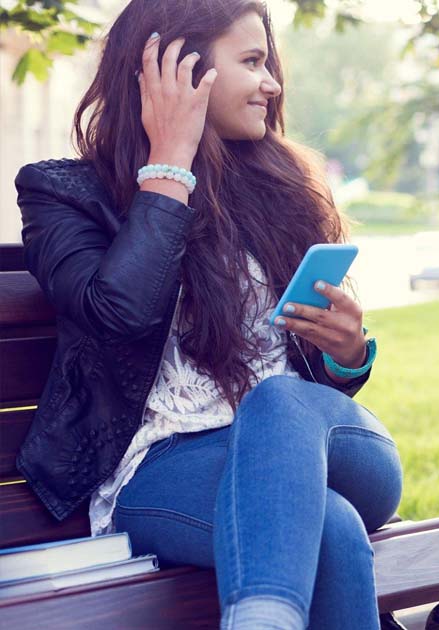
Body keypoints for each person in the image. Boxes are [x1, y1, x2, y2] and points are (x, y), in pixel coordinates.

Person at [15, 1, 402, 628]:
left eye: (268, 62)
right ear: (179, 68)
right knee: (327, 530)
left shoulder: (282, 187)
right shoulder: (62, 194)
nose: (273, 83)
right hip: (162, 470)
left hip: (323, 442)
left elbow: (309, 381)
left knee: (276, 401)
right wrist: (170, 160)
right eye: (252, 62)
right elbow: (121, 314)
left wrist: (346, 352)